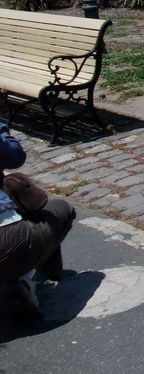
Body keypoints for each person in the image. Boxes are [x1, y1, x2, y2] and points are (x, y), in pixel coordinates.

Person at [0, 123, 76, 320]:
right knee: (60, 210)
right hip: (8, 240)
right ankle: (25, 278)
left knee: (17, 191)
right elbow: (15, 156)